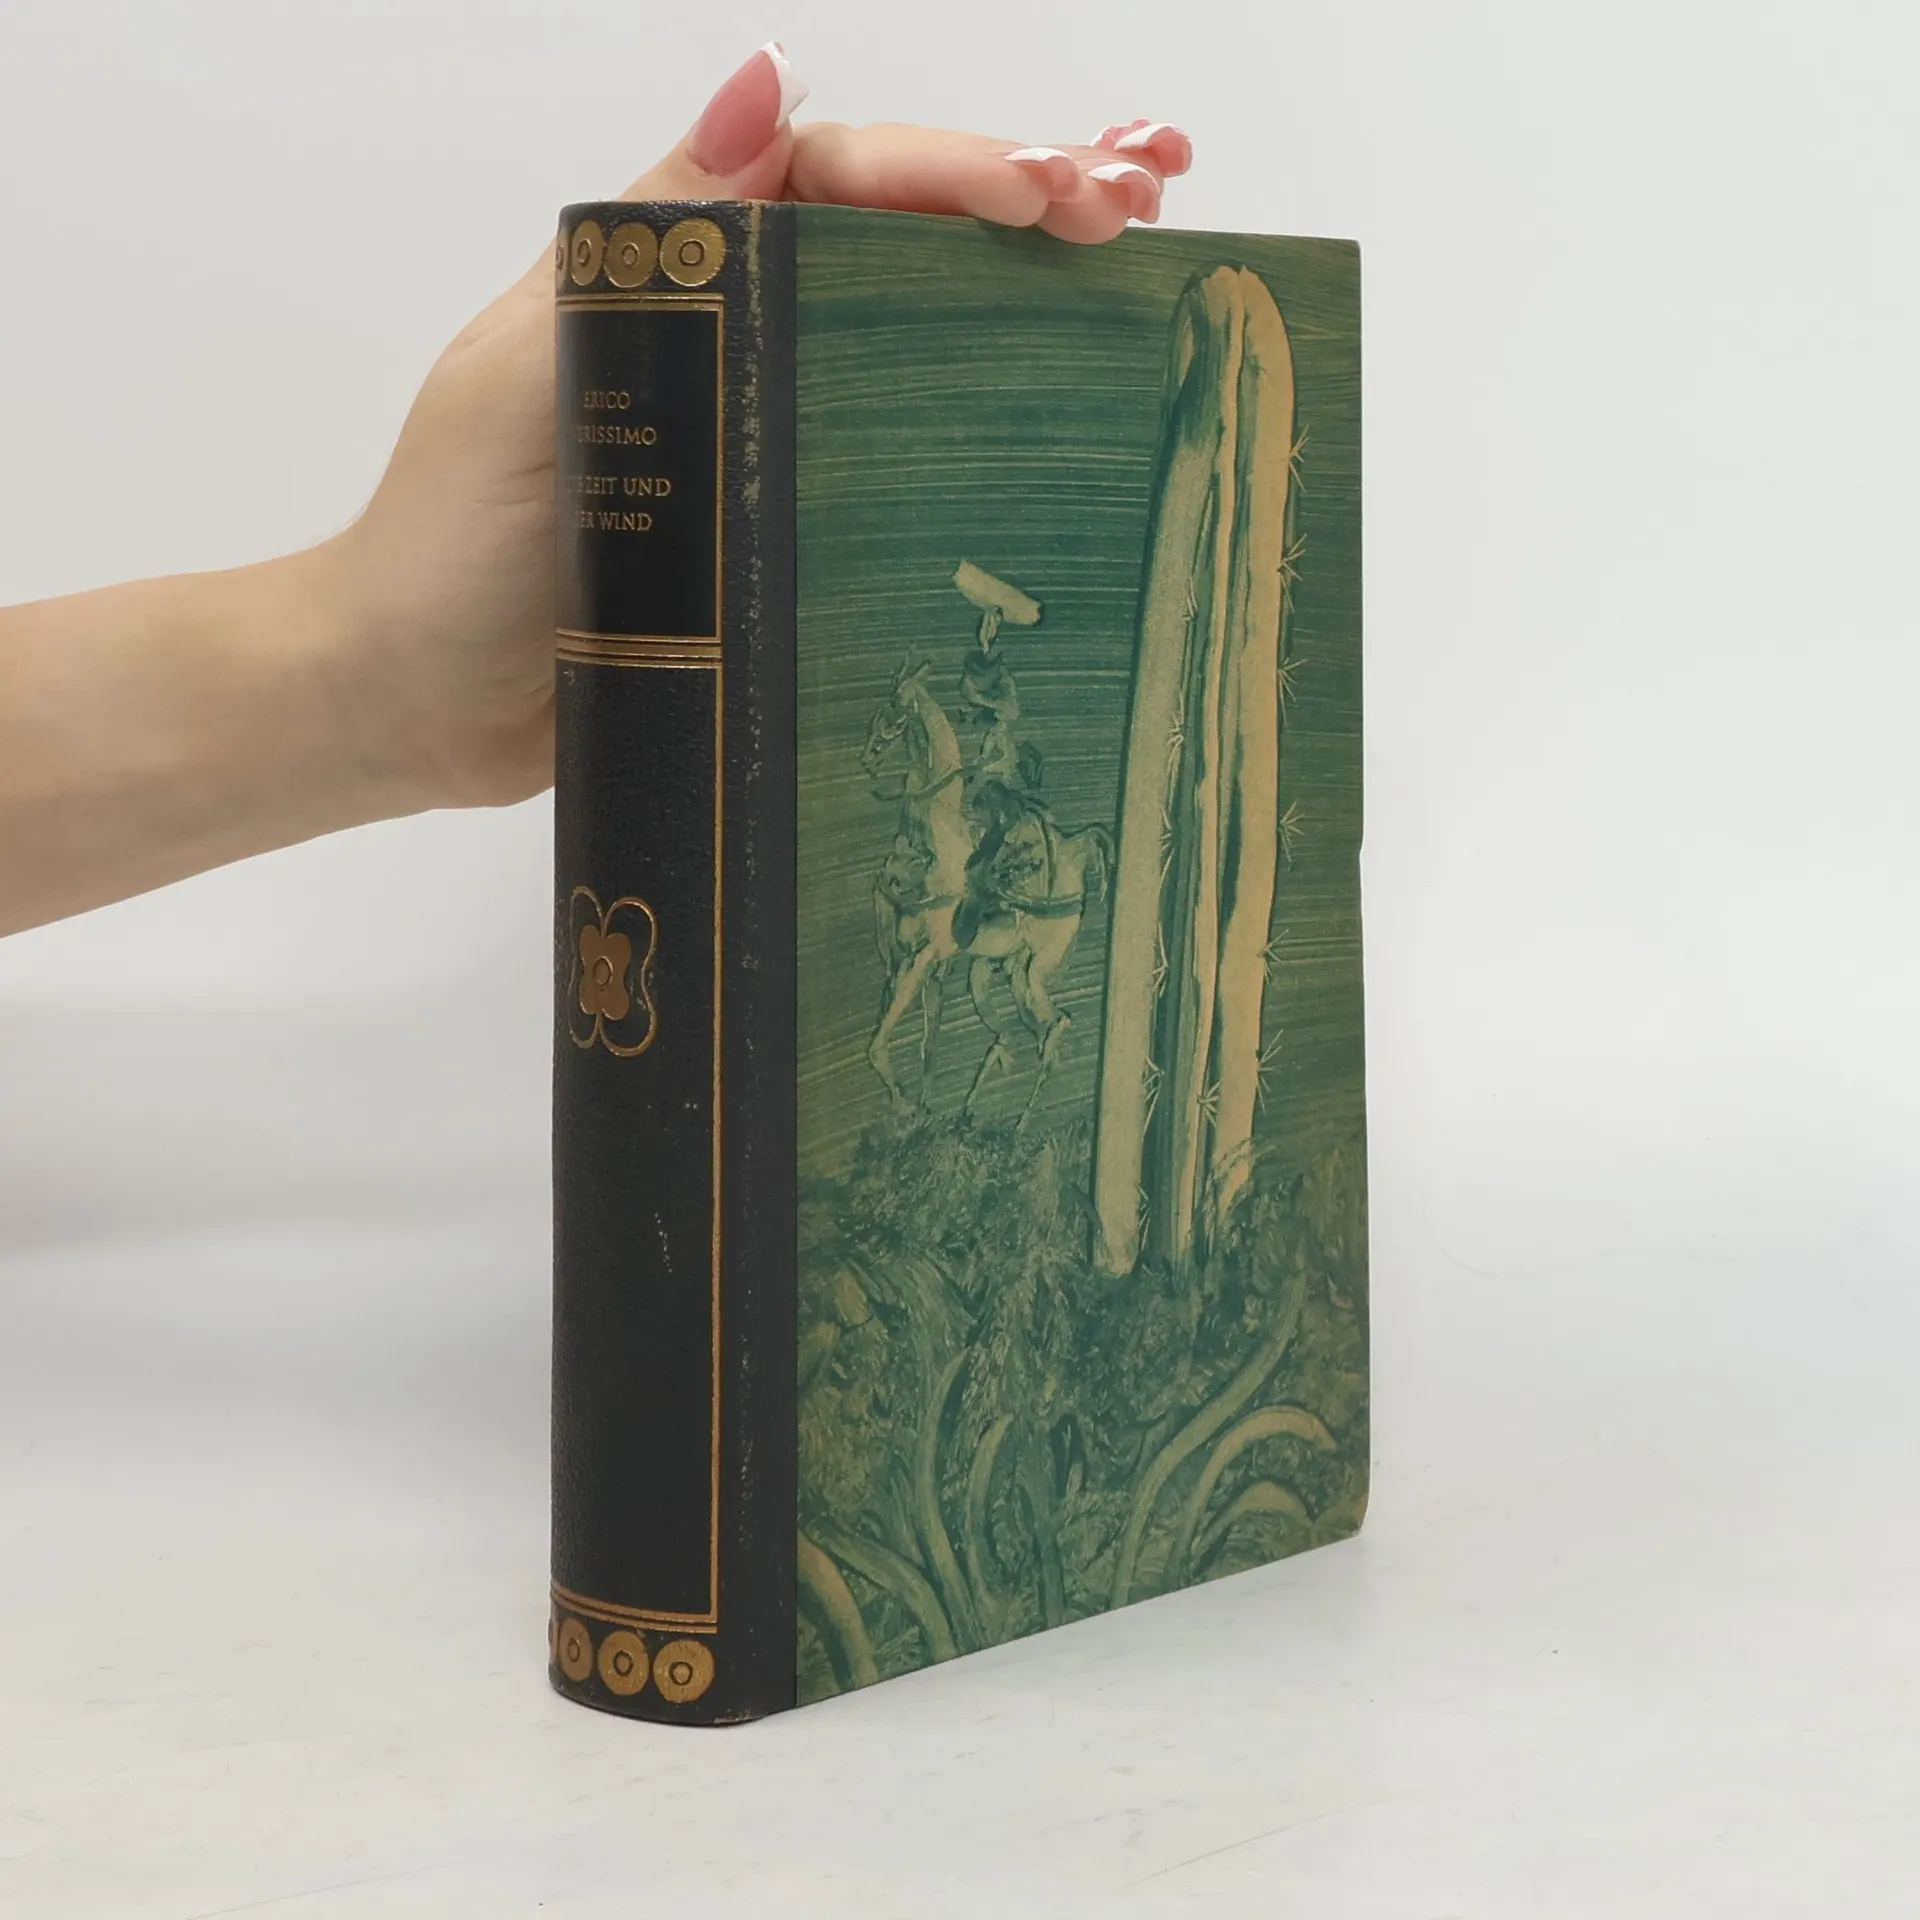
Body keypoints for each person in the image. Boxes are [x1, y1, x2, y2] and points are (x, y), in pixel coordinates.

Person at [0, 44, 1191, 938]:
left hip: (1010, 762)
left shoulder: (1009, 680)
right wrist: (375, 676)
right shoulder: (973, 668)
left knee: (1001, 835)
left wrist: (375, 670)